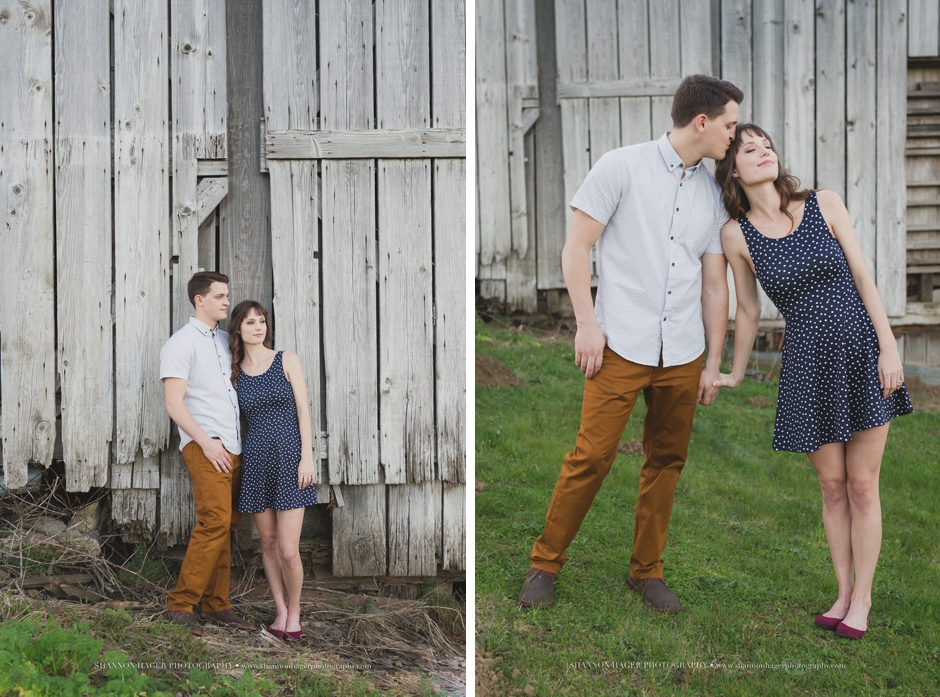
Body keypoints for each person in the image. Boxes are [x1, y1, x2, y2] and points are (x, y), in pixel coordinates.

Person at [517, 75, 743, 613]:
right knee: (591, 456)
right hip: (621, 342)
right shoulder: (621, 166)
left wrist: (713, 360)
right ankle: (544, 565)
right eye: (731, 125)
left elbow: (715, 284)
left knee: (667, 460)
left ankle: (647, 572)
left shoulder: (713, 193)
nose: (734, 136)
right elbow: (576, 249)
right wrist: (587, 324)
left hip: (682, 352)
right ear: (703, 122)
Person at [712, 124, 914, 639]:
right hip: (806, 362)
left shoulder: (823, 202)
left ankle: (863, 601)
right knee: (831, 486)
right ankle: (843, 593)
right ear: (733, 169)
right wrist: (734, 371)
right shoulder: (736, 235)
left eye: (767, 146)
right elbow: (750, 311)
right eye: (749, 150)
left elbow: (863, 276)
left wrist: (889, 347)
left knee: (863, 485)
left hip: (861, 349)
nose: (763, 154)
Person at [160, 271, 256, 636]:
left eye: (227, 295)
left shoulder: (222, 339)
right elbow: (174, 403)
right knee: (214, 522)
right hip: (206, 446)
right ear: (199, 299)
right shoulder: (181, 344)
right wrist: (205, 441)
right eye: (219, 296)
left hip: (233, 446)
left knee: (227, 525)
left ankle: (217, 605)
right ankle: (180, 604)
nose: (226, 302)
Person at [228, 300, 317, 640]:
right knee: (267, 542)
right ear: (238, 328)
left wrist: (306, 456)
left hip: (290, 458)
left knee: (288, 549)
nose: (257, 327)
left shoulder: (286, 360)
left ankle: (295, 613)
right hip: (255, 461)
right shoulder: (234, 373)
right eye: (250, 322)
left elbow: (304, 411)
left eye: (261, 321)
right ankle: (279, 611)